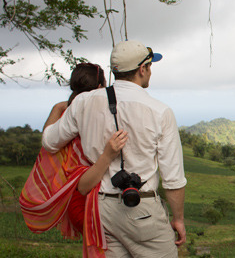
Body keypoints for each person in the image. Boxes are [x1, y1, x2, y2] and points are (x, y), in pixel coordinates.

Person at [42, 40, 187, 258]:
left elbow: (49, 142)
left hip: (100, 209)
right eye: (149, 66)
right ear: (142, 69)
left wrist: (58, 108)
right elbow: (173, 179)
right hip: (142, 209)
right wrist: (178, 219)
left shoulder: (82, 102)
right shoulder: (160, 111)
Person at [20, 63, 126, 257]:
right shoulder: (100, 114)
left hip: (75, 200)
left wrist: (57, 107)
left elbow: (48, 141)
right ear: (101, 86)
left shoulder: (67, 112)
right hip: (93, 198)